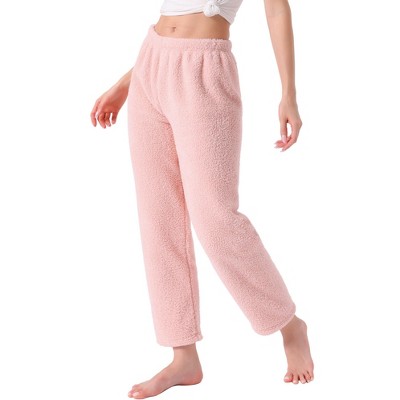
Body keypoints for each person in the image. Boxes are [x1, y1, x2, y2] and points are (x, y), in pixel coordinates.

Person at [90, 0, 314, 397]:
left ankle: (288, 324)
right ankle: (183, 356)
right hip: (151, 62)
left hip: (206, 70)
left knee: (216, 218)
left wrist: (288, 94)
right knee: (159, 219)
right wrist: (128, 82)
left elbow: (277, 9)